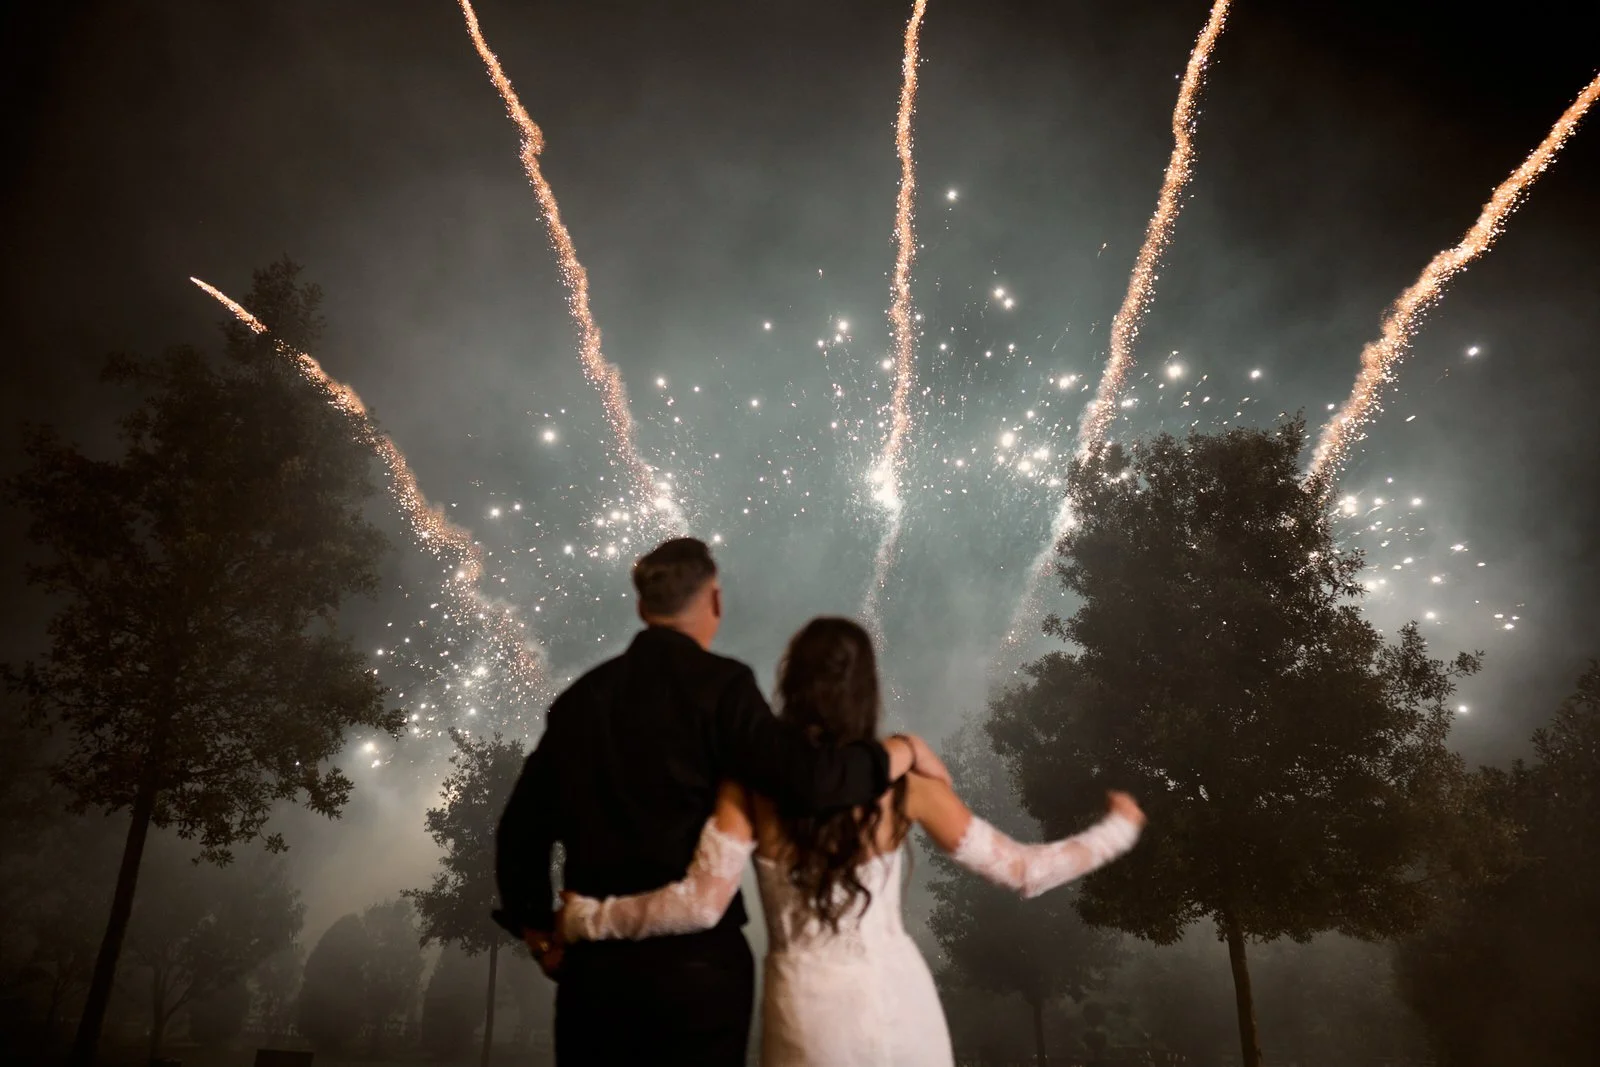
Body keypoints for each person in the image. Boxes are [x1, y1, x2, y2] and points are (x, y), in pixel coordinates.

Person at [558, 616, 1146, 1067]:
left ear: (789, 684)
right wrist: (1118, 829)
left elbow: (698, 905)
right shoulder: (908, 788)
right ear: (867, 690)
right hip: (904, 1004)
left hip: (808, 1012)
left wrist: (586, 919)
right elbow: (1026, 871)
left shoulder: (751, 791)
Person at [494, 539, 947, 1066]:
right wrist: (902, 749)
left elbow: (519, 831)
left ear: (642, 607)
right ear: (715, 599)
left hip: (596, 972)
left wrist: (538, 932)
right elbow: (808, 781)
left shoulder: (579, 702)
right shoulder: (723, 689)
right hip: (696, 972)